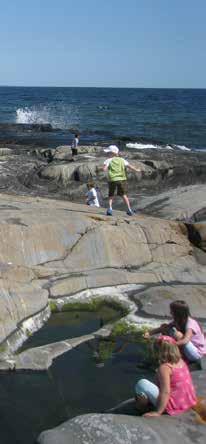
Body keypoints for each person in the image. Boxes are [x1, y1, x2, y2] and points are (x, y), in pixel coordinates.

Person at [135, 335, 197, 417]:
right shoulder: (180, 361)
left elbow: (166, 392)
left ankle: (143, 406)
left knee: (141, 384)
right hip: (186, 401)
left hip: (172, 405)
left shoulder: (165, 368)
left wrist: (158, 412)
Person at [103, 145, 141, 216]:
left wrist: (103, 168)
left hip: (112, 180)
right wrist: (137, 170)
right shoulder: (122, 160)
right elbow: (130, 166)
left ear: (113, 153)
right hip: (121, 180)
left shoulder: (108, 160)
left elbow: (104, 169)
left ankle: (110, 209)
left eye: (108, 153)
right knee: (123, 195)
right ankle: (129, 210)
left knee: (111, 195)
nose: (107, 154)